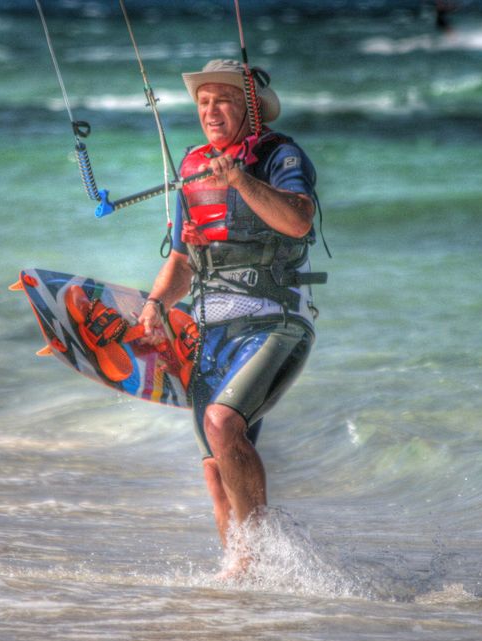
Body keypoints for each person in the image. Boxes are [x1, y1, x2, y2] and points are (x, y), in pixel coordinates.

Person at [137, 59, 321, 577]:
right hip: (210, 330)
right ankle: (242, 589)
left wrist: (240, 179)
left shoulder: (278, 156)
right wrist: (156, 304)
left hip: (274, 320)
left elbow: (299, 218)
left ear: (251, 109)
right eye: (203, 102)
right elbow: (180, 262)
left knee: (222, 423)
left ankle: (263, 557)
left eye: (223, 100)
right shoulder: (193, 169)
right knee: (216, 471)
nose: (210, 111)